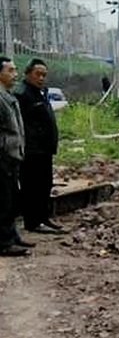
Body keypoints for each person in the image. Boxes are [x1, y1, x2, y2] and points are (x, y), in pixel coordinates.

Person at [15, 59, 63, 234]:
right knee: (32, 187)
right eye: (38, 74)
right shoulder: (22, 94)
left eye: (44, 75)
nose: (41, 78)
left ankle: (43, 218)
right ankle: (33, 222)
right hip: (32, 150)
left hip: (45, 149)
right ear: (28, 74)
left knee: (45, 184)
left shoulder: (41, 92)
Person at [0, 56, 30, 256]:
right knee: (3, 201)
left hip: (12, 157)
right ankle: (4, 242)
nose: (15, 74)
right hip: (2, 158)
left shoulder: (7, 96)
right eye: (10, 70)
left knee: (11, 200)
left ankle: (12, 236)